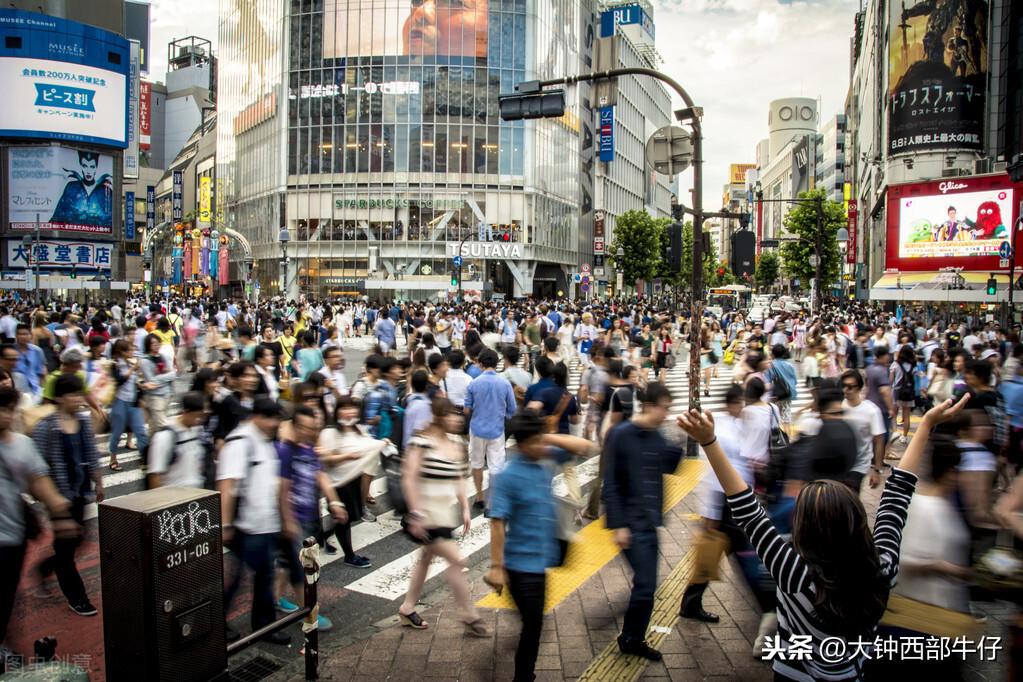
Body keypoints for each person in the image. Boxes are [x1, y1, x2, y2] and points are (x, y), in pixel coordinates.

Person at [675, 394, 971, 681]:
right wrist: (927, 424)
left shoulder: (793, 573)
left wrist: (709, 442)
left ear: (803, 530)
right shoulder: (881, 568)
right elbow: (897, 497)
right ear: (856, 521)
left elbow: (747, 510)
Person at [485, 411, 595, 682]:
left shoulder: (544, 460)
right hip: (519, 565)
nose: (540, 446)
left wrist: (543, 436)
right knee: (534, 624)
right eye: (532, 442)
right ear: (520, 444)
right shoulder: (507, 476)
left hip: (540, 560)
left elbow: (584, 447)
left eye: (540, 440)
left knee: (533, 624)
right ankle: (523, 676)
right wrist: (497, 568)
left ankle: (521, 670)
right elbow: (497, 522)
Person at [603, 382, 685, 660]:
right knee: (647, 585)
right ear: (649, 406)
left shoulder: (656, 435)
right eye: (664, 408)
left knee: (645, 584)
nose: (666, 413)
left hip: (650, 520)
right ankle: (631, 639)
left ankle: (631, 635)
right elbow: (610, 482)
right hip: (631, 522)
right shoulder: (621, 434)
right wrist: (619, 525)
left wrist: (679, 436)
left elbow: (670, 465)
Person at [397, 397, 488, 636]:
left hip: (443, 515)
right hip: (424, 515)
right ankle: (469, 615)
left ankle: (407, 608)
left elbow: (459, 478)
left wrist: (466, 507)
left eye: (458, 414)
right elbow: (408, 477)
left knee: (425, 559)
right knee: (457, 561)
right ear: (439, 416)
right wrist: (415, 513)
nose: (457, 419)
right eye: (451, 414)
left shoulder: (456, 444)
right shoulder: (421, 441)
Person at [0, 386, 78, 650]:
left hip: (11, 538)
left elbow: (38, 480)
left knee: (6, 598)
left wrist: (61, 512)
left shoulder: (22, 444)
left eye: (9, 409)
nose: (6, 415)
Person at [218, 397, 294, 644]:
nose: (275, 424)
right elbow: (228, 484)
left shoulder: (265, 441)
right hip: (247, 525)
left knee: (259, 576)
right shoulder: (240, 442)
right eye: (270, 418)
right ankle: (225, 624)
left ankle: (262, 626)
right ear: (256, 417)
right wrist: (226, 524)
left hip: (264, 523)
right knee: (246, 577)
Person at [32, 374, 102, 617]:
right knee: (65, 549)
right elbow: (38, 466)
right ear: (60, 398)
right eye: (73, 395)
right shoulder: (46, 427)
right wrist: (50, 499)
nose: (78, 399)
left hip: (80, 492)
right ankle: (78, 597)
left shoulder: (82, 422)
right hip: (58, 497)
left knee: (77, 541)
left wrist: (99, 482)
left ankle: (45, 567)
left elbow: (91, 453)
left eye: (79, 394)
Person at [274, 405, 346, 630]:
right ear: (294, 426)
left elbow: (321, 475)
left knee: (287, 564)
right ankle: (310, 615)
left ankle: (273, 600)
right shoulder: (285, 450)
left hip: (309, 515)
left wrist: (334, 502)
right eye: (304, 428)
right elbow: (282, 489)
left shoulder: (309, 449)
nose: (309, 432)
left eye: (313, 428)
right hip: (294, 517)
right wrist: (287, 521)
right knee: (304, 569)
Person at [317, 397, 382, 567]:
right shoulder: (330, 432)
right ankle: (349, 556)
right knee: (343, 519)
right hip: (337, 484)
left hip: (354, 481)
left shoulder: (358, 429)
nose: (349, 412)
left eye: (352, 408)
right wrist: (347, 456)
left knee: (345, 516)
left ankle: (323, 536)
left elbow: (369, 445)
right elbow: (326, 460)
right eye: (344, 408)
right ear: (337, 411)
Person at [463, 348, 517, 511]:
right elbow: (512, 409)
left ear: (480, 364)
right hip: (497, 430)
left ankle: (479, 497)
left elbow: (467, 409)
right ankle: (493, 501)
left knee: (477, 463)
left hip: (477, 429)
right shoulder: (505, 383)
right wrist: (503, 414)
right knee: (496, 466)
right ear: (496, 363)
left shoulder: (473, 383)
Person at [146, 391, 209, 489]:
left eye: (201, 416)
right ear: (185, 412)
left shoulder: (197, 430)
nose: (199, 420)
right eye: (196, 416)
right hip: (174, 497)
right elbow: (155, 474)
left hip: (197, 495)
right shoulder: (165, 436)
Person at [841, 369, 887, 492]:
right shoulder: (837, 406)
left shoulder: (871, 411)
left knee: (850, 499)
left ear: (859, 388)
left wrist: (876, 470)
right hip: (839, 463)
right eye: (843, 386)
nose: (845, 390)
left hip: (859, 465)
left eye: (850, 387)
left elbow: (879, 441)